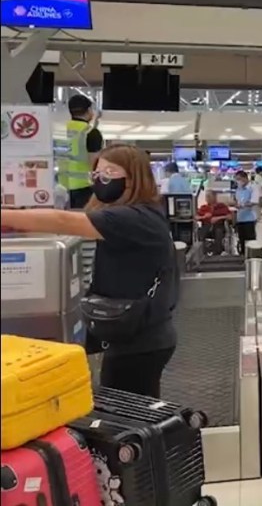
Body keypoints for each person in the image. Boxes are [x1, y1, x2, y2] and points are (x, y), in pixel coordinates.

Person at [1, 144, 177, 397]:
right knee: (136, 405)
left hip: (140, 340)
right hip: (138, 332)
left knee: (127, 409)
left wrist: (6, 217)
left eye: (109, 172)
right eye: (96, 174)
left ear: (133, 177)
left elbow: (63, 221)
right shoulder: (139, 214)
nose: (100, 179)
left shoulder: (135, 218)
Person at [60, 94, 104, 209]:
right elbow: (94, 163)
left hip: (62, 186)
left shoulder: (63, 129)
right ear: (89, 110)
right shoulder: (91, 133)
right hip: (84, 187)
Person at [196, 189, 232, 255]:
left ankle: (217, 253)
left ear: (214, 197)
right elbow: (196, 217)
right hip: (206, 226)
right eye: (206, 196)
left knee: (218, 232)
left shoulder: (221, 206)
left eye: (209, 196)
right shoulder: (204, 207)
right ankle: (202, 253)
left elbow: (230, 217)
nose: (207, 198)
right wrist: (204, 217)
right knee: (200, 232)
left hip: (218, 226)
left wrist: (218, 218)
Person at [233, 170, 258, 253]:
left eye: (239, 179)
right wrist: (235, 204)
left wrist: (243, 205)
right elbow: (237, 201)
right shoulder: (238, 190)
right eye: (237, 179)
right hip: (240, 218)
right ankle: (242, 255)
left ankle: (252, 256)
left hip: (250, 218)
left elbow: (254, 202)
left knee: (250, 240)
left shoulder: (253, 188)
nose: (238, 181)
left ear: (245, 178)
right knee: (242, 240)